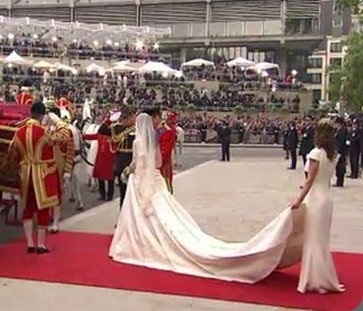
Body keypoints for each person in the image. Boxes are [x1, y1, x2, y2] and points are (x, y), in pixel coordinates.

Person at [110, 113, 305, 284]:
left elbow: (137, 162)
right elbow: (158, 162)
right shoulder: (152, 141)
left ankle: (135, 241)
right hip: (154, 178)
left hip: (140, 181)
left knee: (140, 216)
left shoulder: (137, 142)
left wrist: (128, 170)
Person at [289, 118, 346, 294]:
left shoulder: (316, 153)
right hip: (326, 196)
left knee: (313, 239)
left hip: (315, 197)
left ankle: (314, 279)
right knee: (322, 240)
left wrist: (298, 200)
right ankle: (323, 276)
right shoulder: (334, 154)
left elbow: (309, 181)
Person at [8, 101, 60, 254]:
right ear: (43, 115)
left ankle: (30, 243)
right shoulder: (44, 131)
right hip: (41, 174)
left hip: (25, 173)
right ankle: (41, 244)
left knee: (28, 208)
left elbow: (12, 151)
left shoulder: (19, 132)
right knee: (43, 208)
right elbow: (59, 139)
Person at [97, 105, 135, 209]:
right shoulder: (117, 128)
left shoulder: (138, 128)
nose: (127, 120)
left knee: (134, 193)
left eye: (129, 117)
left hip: (133, 162)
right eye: (124, 118)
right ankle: (122, 216)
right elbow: (101, 130)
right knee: (123, 192)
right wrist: (109, 119)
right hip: (121, 162)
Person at [46, 106, 75, 234]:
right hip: (46, 166)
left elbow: (70, 152)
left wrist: (68, 170)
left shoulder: (65, 131)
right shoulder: (45, 129)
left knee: (57, 195)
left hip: (59, 166)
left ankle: (56, 222)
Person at [82, 110, 116, 201]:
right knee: (100, 177)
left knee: (110, 179)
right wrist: (82, 136)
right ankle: (102, 195)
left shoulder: (114, 134)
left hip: (110, 159)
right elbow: (93, 136)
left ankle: (110, 195)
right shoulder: (101, 133)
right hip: (101, 158)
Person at [145, 108, 176, 194]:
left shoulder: (166, 130)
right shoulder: (154, 129)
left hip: (163, 166)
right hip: (152, 165)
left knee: (165, 192)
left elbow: (164, 153)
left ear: (157, 117)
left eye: (151, 119)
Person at [333, 117, 348, 187]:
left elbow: (341, 142)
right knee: (338, 167)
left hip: (341, 151)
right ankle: (338, 181)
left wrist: (338, 151)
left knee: (341, 167)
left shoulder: (343, 131)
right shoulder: (337, 130)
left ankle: (340, 182)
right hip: (337, 150)